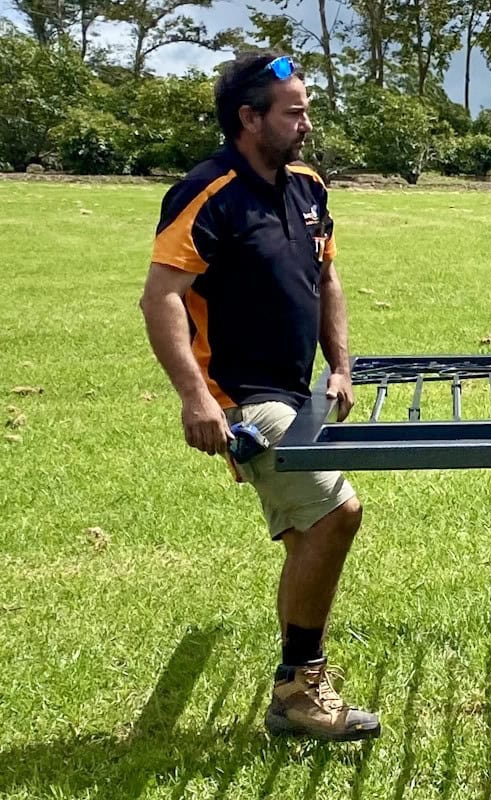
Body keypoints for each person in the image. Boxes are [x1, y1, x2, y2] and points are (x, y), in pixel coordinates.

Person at [140, 52, 380, 742]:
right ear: (249, 118)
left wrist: (340, 366)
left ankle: (297, 682)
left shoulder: (308, 185)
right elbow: (161, 298)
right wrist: (196, 399)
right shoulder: (208, 191)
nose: (306, 123)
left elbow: (327, 279)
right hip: (242, 398)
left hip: (298, 390)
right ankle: (300, 686)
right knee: (336, 515)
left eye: (306, 110)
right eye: (292, 112)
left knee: (308, 533)